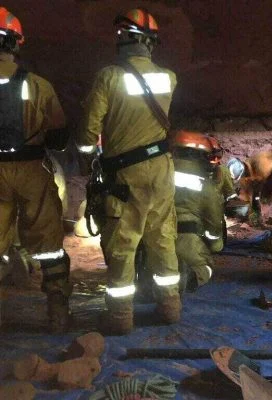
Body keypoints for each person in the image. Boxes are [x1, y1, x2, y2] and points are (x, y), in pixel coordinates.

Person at [76, 8, 179, 335]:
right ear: (151, 43)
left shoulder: (109, 77)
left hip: (126, 173)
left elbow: (89, 131)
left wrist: (87, 159)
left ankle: (120, 317)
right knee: (163, 237)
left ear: (121, 40)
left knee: (123, 241)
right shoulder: (168, 77)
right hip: (162, 169)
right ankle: (170, 306)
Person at [0, 7, 71, 333]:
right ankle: (57, 312)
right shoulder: (38, 85)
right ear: (16, 43)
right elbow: (58, 135)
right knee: (49, 243)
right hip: (31, 169)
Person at [172, 131, 234, 291]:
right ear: (197, 155)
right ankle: (189, 276)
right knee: (205, 266)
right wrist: (215, 245)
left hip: (153, 235)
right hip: (186, 236)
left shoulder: (157, 173)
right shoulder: (205, 184)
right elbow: (214, 218)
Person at [226, 151, 272, 226]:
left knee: (265, 200)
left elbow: (270, 187)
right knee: (254, 199)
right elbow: (247, 190)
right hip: (262, 179)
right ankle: (257, 218)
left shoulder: (263, 167)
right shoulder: (248, 167)